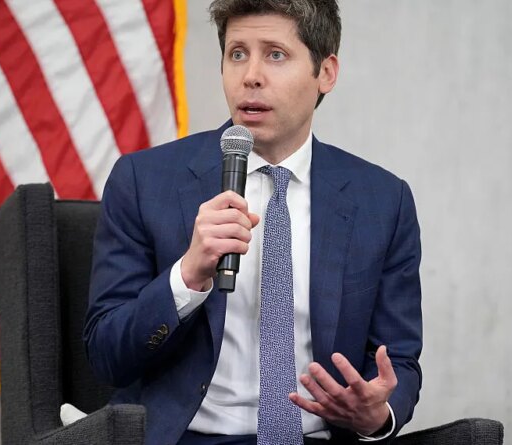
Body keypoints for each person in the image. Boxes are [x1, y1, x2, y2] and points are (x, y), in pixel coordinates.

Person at [83, 1, 422, 444]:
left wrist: (375, 415)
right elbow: (106, 356)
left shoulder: (382, 201)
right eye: (237, 53)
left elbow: (398, 362)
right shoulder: (143, 182)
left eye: (275, 54)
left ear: (326, 73)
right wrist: (186, 277)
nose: (251, 76)